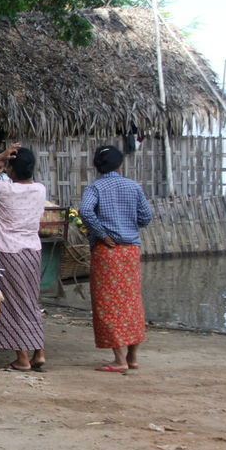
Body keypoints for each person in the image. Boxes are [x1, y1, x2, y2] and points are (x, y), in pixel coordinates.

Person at [0, 144, 47, 371]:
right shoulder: (40, 189)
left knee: (12, 304)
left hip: (8, 252)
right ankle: (39, 352)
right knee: (30, 301)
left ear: (11, 169)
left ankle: (22, 359)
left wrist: (1, 156)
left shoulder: (5, 189)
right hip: (32, 252)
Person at [78, 145, 152, 373]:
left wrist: (102, 234)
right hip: (130, 252)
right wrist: (129, 225)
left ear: (97, 166)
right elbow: (146, 216)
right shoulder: (133, 186)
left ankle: (119, 360)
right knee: (131, 302)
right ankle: (132, 357)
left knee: (108, 304)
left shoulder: (95, 187)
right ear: (120, 165)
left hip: (107, 253)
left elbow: (85, 211)